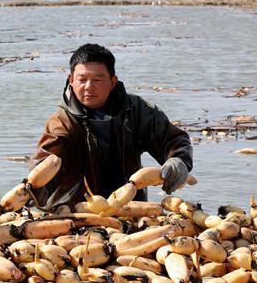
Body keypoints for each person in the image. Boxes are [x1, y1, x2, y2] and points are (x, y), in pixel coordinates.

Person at [30, 43, 193, 211]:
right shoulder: (61, 122)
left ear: (112, 82)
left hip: (131, 208)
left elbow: (173, 139)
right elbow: (46, 164)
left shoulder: (136, 111)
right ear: (71, 80)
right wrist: (32, 190)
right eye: (82, 79)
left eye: (97, 79)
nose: (88, 87)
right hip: (75, 212)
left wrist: (179, 159)